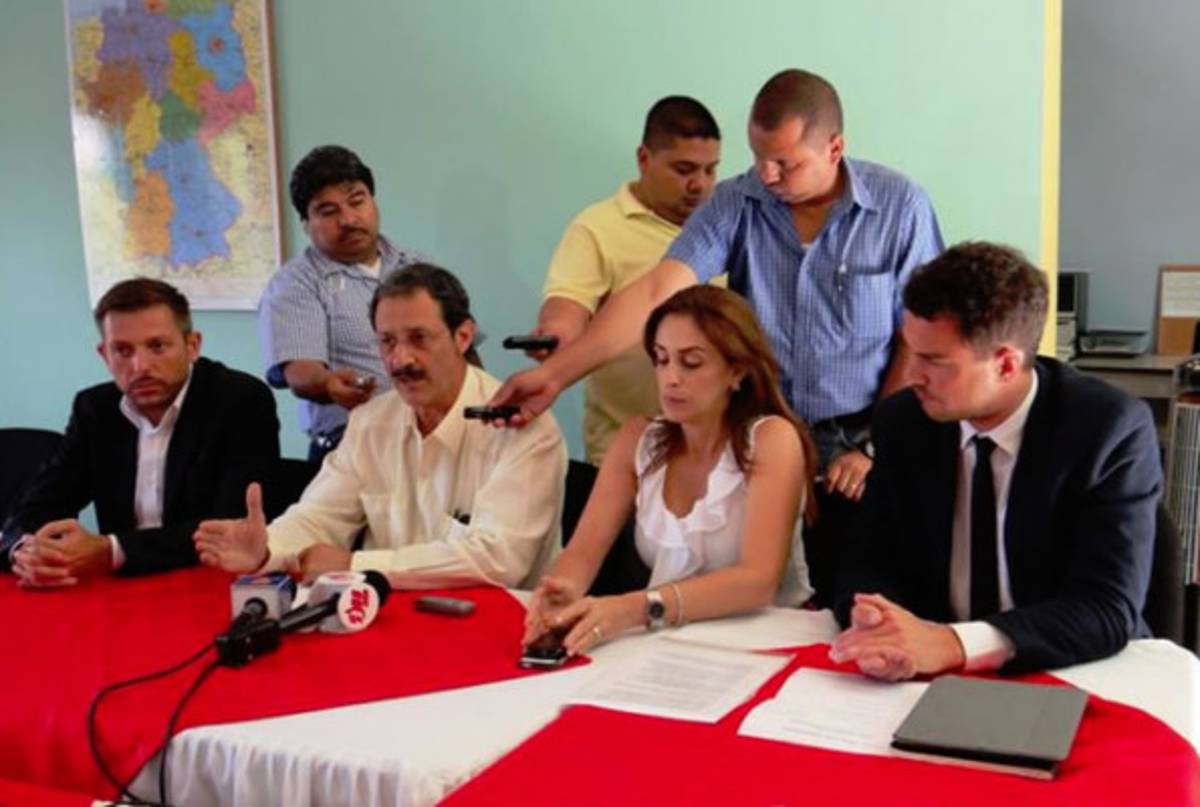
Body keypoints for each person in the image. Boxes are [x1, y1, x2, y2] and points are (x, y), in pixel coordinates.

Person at [493, 69, 943, 602]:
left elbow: (920, 338)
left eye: (785, 163)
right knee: (759, 599)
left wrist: (875, 447)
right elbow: (658, 288)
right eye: (758, 157)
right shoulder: (736, 203)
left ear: (835, 148)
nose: (767, 175)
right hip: (760, 439)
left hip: (858, 449)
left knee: (853, 605)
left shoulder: (900, 207)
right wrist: (554, 376)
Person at [831, 242, 1161, 679]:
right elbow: (866, 561)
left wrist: (954, 644)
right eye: (911, 351)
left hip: (1069, 666)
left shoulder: (1107, 429)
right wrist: (876, 620)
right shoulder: (904, 421)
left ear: (1005, 365)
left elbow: (1105, 607)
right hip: (930, 674)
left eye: (933, 360)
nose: (911, 376)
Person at [196, 264, 567, 589]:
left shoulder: (522, 426)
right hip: (391, 620)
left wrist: (356, 565)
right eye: (387, 342)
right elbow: (320, 517)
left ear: (463, 336)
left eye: (419, 339)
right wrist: (267, 549)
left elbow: (499, 560)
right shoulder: (370, 422)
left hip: (500, 626)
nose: (400, 360)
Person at [523, 285, 817, 656]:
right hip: (667, 640)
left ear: (737, 370)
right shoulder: (637, 438)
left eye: (691, 363)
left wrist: (635, 608)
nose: (671, 378)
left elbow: (757, 581)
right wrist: (562, 591)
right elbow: (582, 553)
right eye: (661, 360)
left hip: (769, 639)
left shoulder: (772, 439)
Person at [0, 279, 280, 585]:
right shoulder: (94, 409)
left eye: (157, 346)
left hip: (210, 580)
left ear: (192, 345)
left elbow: (230, 525)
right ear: (104, 355)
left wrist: (111, 550)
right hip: (122, 588)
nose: (141, 366)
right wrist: (24, 551)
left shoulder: (241, 400)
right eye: (122, 350)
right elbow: (40, 503)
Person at [533, 96, 721, 465]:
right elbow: (568, 304)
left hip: (714, 455)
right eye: (684, 170)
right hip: (622, 456)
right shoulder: (597, 228)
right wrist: (557, 334)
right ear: (644, 158)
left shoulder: (723, 227)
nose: (699, 185)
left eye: (710, 170)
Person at [258, 145, 431, 462]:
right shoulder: (296, 282)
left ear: (373, 201)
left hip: (434, 439)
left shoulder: (419, 267)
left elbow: (463, 352)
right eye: (328, 211)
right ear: (306, 223)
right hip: (351, 448)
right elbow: (300, 370)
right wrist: (328, 384)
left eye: (357, 201)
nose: (349, 219)